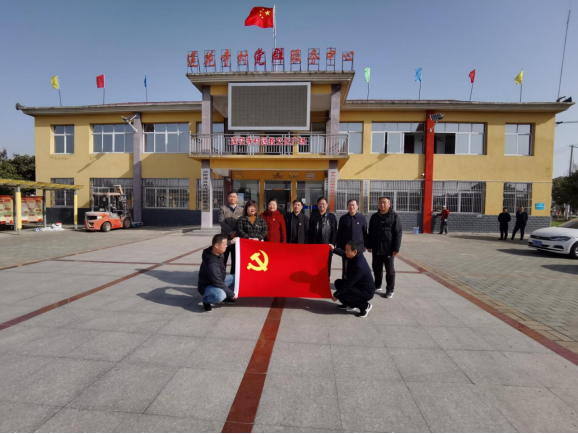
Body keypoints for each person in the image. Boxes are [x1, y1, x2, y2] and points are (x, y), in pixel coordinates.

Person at [367, 197, 402, 298]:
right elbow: (370, 232)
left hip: (388, 249)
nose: (382, 205)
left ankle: (390, 290)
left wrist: (396, 248)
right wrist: (369, 245)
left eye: (384, 203)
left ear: (389, 204)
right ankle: (377, 285)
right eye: (380, 203)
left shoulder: (394, 216)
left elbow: (398, 233)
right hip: (376, 247)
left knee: (389, 270)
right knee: (376, 268)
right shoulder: (374, 216)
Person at [329, 240, 374, 318]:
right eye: (345, 249)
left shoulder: (359, 266)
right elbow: (344, 254)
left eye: (347, 250)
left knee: (343, 292)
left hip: (365, 291)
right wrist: (333, 249)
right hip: (357, 286)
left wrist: (336, 295)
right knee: (338, 283)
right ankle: (350, 305)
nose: (345, 251)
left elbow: (348, 284)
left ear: (355, 251)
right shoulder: (355, 255)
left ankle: (365, 306)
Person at [198, 234, 238, 312]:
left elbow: (223, 243)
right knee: (220, 295)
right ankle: (206, 301)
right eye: (224, 245)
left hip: (219, 280)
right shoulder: (212, 263)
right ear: (216, 246)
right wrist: (231, 294)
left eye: (226, 244)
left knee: (238, 278)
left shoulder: (213, 250)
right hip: (207, 286)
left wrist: (232, 241)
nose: (226, 246)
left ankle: (225, 296)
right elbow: (218, 282)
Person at [336, 199, 367, 279]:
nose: (351, 207)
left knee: (357, 266)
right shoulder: (343, 218)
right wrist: (339, 245)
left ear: (357, 206)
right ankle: (345, 282)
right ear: (347, 207)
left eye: (353, 205)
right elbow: (339, 233)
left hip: (358, 248)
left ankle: (356, 282)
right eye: (349, 205)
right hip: (346, 248)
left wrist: (365, 245)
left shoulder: (362, 218)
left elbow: (364, 233)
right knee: (346, 266)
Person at [308, 197, 338, 277]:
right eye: (320, 204)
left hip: (327, 246)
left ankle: (326, 280)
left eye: (323, 204)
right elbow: (310, 232)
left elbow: (334, 232)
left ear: (327, 205)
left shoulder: (331, 217)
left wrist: (332, 244)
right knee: (315, 265)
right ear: (317, 205)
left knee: (326, 265)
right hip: (315, 246)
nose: (322, 205)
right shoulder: (313, 216)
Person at [219, 191, 244, 274]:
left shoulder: (242, 210)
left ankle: (233, 276)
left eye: (234, 197)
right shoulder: (223, 208)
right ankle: (221, 276)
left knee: (235, 259)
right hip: (225, 238)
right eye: (230, 196)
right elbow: (221, 222)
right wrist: (230, 232)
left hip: (237, 238)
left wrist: (236, 232)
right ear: (227, 198)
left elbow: (243, 223)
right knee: (223, 259)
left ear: (237, 198)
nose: (232, 198)